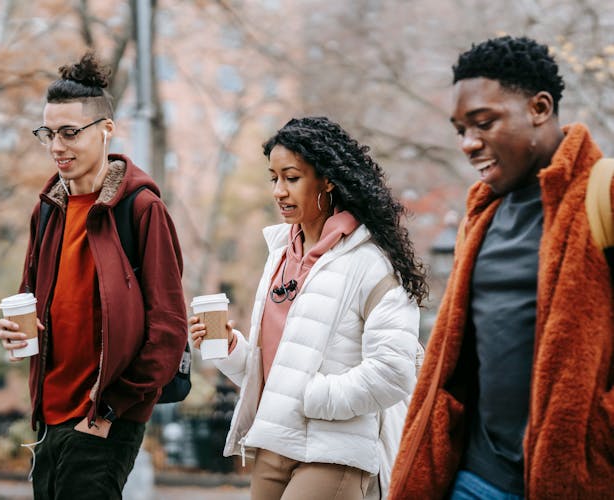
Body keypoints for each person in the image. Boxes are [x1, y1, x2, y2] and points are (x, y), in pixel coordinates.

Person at [389, 36, 614, 499]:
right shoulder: (482, 213)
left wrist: (598, 435)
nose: (469, 144)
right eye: (460, 130)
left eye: (484, 123)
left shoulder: (604, 194)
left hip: (576, 479)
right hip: (476, 477)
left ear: (539, 107)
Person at [190, 116, 428, 500]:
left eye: (292, 177)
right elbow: (276, 369)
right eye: (274, 178)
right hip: (272, 443)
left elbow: (393, 372)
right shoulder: (280, 255)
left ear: (328, 180)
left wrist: (313, 397)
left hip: (333, 452)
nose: (278, 191)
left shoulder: (371, 263)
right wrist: (232, 348)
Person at [0, 53, 188, 500]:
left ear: (106, 130)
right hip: (49, 413)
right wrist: (13, 330)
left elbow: (168, 327)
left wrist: (111, 409)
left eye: (69, 133)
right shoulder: (47, 209)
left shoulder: (140, 208)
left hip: (106, 414)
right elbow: (32, 296)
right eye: (48, 133)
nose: (56, 146)